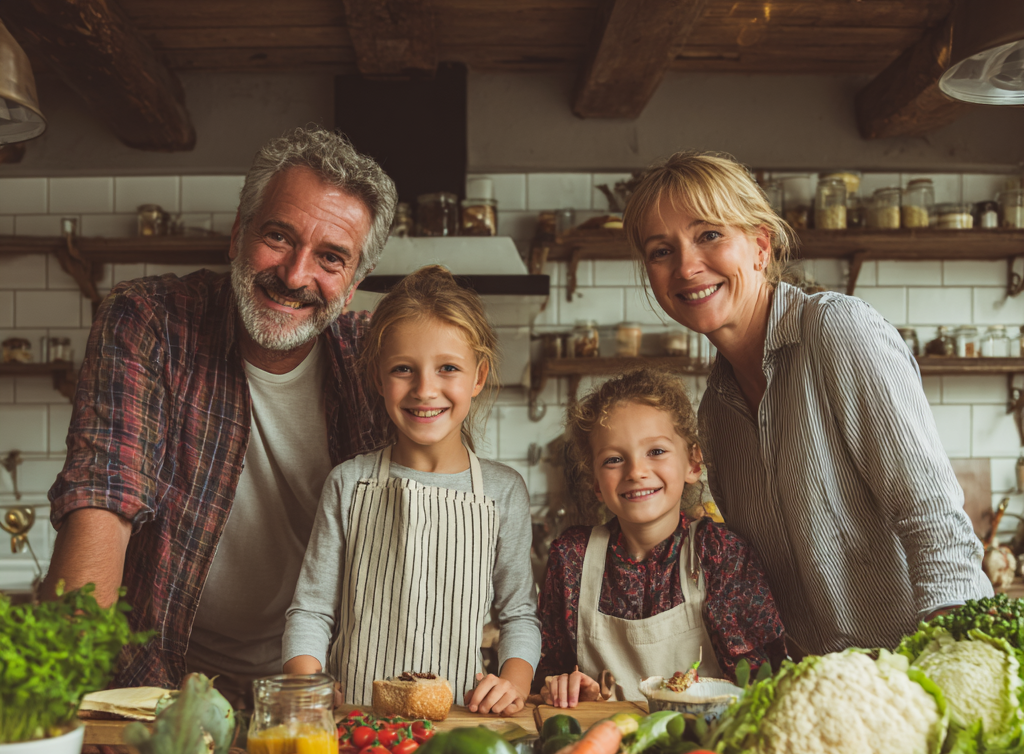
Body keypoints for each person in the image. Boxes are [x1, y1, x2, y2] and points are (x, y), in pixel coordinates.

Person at [44, 127, 398, 702]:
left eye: (331, 258)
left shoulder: (377, 360)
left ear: (354, 284)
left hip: (324, 685)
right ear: (238, 235)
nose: (294, 274)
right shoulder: (150, 320)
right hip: (161, 676)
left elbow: (440, 500)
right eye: (279, 237)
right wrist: (70, 694)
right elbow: (103, 497)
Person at [620, 151, 991, 657]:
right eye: (661, 251)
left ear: (759, 245)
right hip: (813, 687)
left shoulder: (837, 331)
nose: (686, 266)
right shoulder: (714, 412)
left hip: (912, 675)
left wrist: (954, 660)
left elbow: (933, 517)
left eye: (709, 235)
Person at [282, 266, 541, 716]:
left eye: (448, 368)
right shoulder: (348, 483)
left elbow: (519, 615)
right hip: (360, 724)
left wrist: (513, 683)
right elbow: (311, 612)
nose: (425, 390)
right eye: (403, 369)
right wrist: (310, 684)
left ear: (477, 377)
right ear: (379, 380)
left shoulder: (504, 490)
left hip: (460, 721)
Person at [536, 367, 786, 708]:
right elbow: (549, 676)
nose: (636, 471)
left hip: (702, 747)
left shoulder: (720, 555)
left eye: (656, 452)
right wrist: (563, 686)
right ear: (595, 483)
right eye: (613, 459)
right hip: (605, 747)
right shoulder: (572, 558)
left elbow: (759, 687)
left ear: (693, 463)